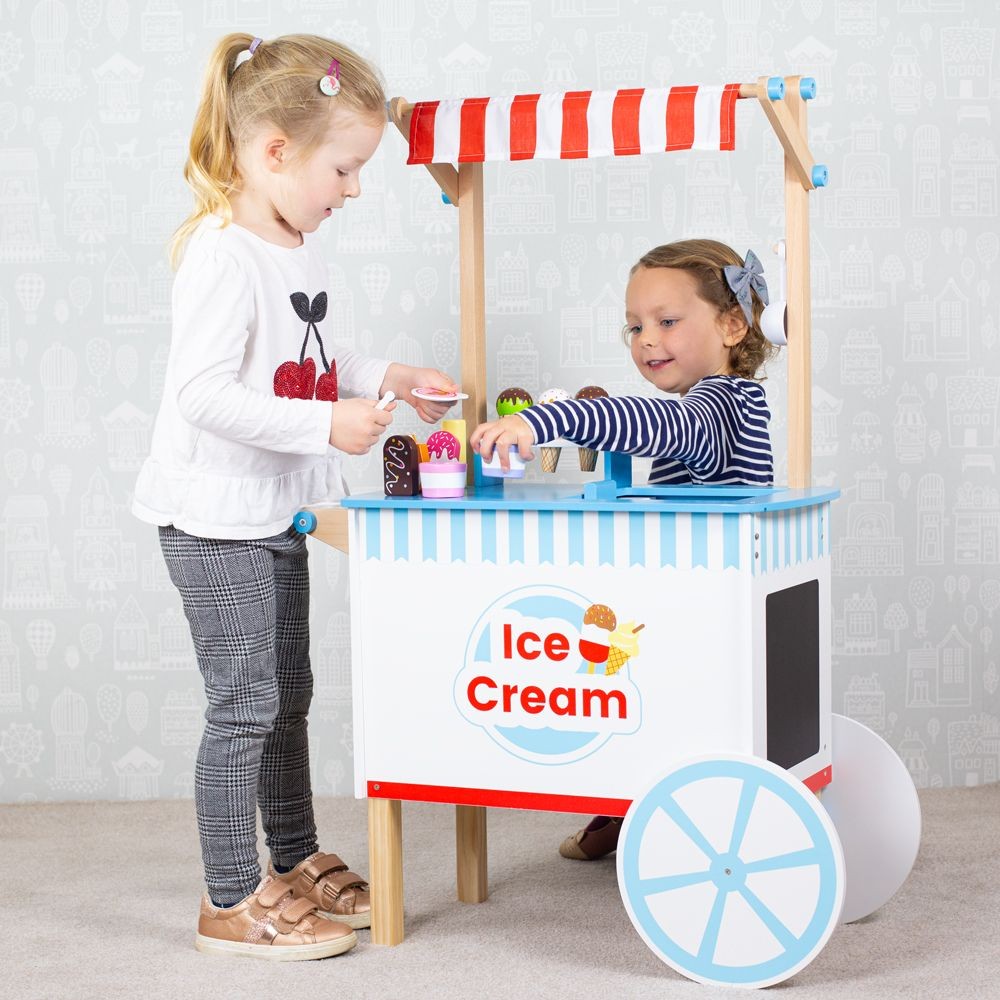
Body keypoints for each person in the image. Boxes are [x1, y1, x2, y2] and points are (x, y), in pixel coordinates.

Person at [132, 33, 456, 960]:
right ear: (276, 151)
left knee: (289, 695)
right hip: (214, 519)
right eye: (344, 169)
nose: (352, 191)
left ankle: (295, 853)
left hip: (274, 509)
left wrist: (388, 376)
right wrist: (324, 426)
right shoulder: (222, 256)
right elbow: (203, 395)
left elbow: (308, 357)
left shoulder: (294, 248)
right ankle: (231, 897)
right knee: (245, 704)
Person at [469, 238, 779, 860]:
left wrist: (543, 421)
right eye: (635, 326)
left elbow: (652, 424)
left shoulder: (718, 406)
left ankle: (636, 803)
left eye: (667, 322)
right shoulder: (718, 403)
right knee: (617, 662)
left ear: (731, 325)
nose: (646, 340)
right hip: (695, 593)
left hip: (707, 602)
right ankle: (626, 800)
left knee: (610, 670)